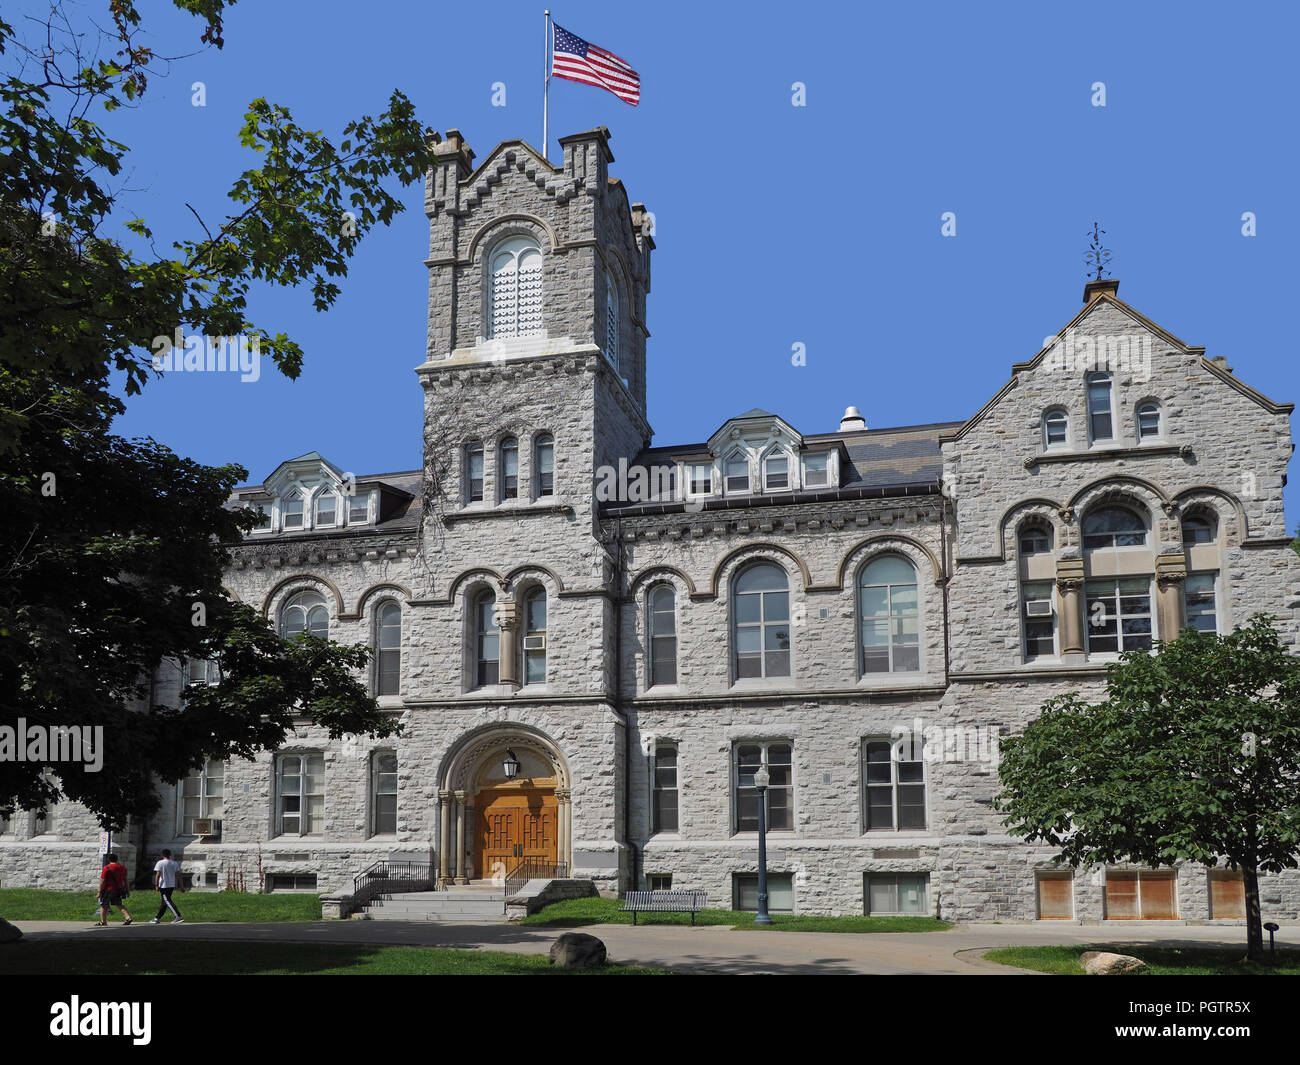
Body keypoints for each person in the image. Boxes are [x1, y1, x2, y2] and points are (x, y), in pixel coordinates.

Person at [149, 849, 185, 924]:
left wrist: (156, 885)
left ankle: (178, 916)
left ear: (162, 855)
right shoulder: (174, 863)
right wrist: (181, 886)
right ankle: (157, 918)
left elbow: (158, 875)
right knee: (164, 902)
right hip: (171, 885)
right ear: (170, 855)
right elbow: (179, 875)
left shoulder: (160, 863)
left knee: (167, 901)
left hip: (163, 885)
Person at [96, 853, 132, 926]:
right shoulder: (122, 868)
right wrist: (127, 890)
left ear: (108, 859)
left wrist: (99, 892)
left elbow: (102, 881)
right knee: (119, 904)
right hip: (118, 889)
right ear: (117, 859)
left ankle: (103, 921)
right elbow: (125, 880)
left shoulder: (106, 868)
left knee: (103, 905)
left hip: (108, 889)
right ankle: (128, 917)